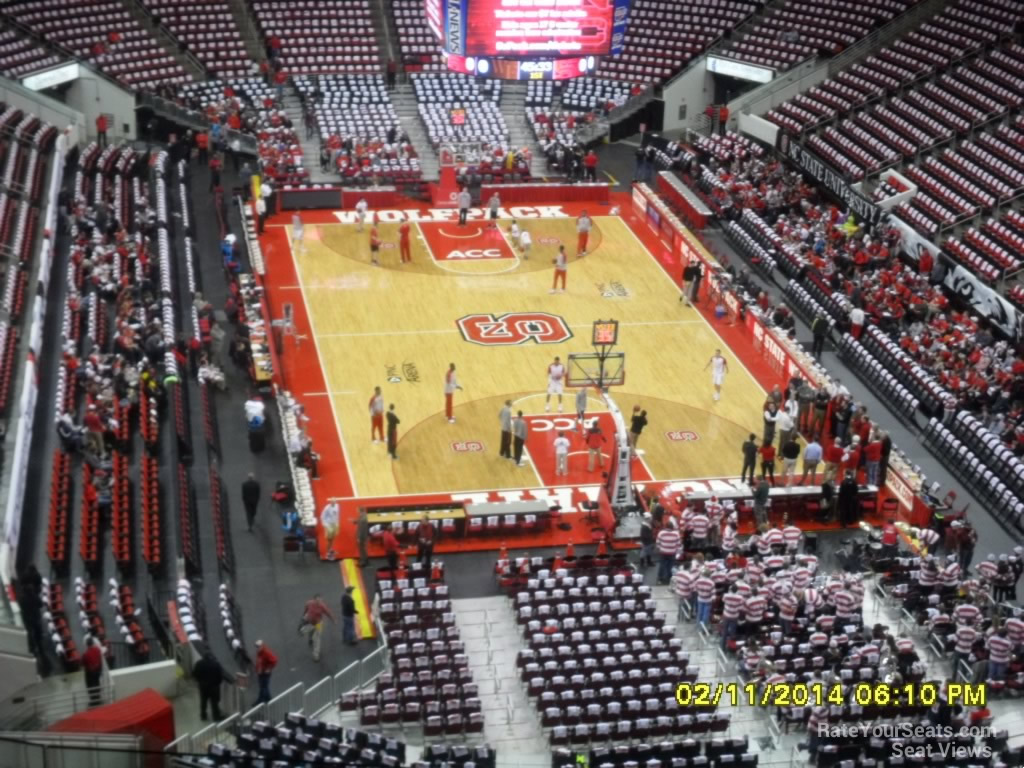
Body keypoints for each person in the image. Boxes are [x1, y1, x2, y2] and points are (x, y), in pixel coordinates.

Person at [193, 651, 229, 721]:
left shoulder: (199, 663)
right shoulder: (216, 664)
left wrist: (200, 681)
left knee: (203, 701)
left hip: (203, 686)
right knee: (214, 703)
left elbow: (195, 674)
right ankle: (216, 717)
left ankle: (203, 715)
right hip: (213, 687)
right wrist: (217, 683)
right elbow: (220, 677)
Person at [300, 594, 335, 662]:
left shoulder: (322, 606)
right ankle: (306, 635)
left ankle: (316, 655)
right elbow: (306, 609)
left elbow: (328, 613)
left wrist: (333, 620)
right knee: (309, 630)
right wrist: (304, 615)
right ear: (314, 600)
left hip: (318, 623)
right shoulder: (309, 603)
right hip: (310, 622)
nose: (319, 601)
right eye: (318, 600)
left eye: (320, 600)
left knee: (317, 638)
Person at [655, 518, 681, 585]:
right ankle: (670, 578)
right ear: (672, 527)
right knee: (671, 566)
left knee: (662, 565)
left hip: (663, 552)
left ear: (665, 526)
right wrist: (678, 553)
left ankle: (660, 579)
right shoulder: (676, 534)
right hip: (672, 553)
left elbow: (657, 543)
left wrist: (659, 549)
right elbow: (678, 545)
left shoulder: (661, 533)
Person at [82, 636, 104, 707]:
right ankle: (98, 698)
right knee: (97, 684)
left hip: (90, 673)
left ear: (87, 645)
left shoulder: (85, 654)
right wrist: (100, 670)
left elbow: (83, 664)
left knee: (90, 687)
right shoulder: (97, 650)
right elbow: (100, 660)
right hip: (98, 670)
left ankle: (93, 701)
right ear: (92, 643)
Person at [254, 640, 277, 704]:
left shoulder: (266, 653)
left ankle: (260, 700)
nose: (256, 648)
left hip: (265, 673)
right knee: (264, 687)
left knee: (263, 687)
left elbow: (274, 660)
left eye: (258, 646)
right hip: (260, 673)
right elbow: (259, 662)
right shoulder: (259, 652)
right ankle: (268, 698)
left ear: (262, 646)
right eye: (256, 646)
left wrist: (268, 669)